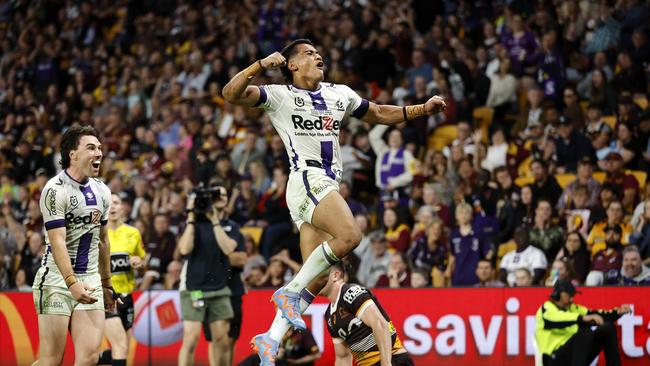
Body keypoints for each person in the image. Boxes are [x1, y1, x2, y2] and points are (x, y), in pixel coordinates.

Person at [222, 38, 446, 364]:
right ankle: (287, 292)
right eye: (309, 54)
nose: (318, 56)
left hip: (322, 185)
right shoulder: (280, 96)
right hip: (307, 179)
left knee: (319, 278)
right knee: (351, 236)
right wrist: (259, 66)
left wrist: (421, 109)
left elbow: (380, 112)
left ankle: (271, 338)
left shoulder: (338, 94)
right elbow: (230, 94)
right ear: (293, 65)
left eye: (318, 52)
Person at [32, 125, 116, 366]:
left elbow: (103, 240)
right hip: (56, 280)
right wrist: (71, 282)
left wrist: (107, 284)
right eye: (91, 147)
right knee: (51, 361)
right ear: (73, 154)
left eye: (99, 148)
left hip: (90, 280)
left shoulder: (102, 191)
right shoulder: (54, 190)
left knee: (90, 358)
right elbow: (57, 240)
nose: (99, 152)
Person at [177, 186, 240, 366]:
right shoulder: (194, 223)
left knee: (221, 340)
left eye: (222, 194)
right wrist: (190, 217)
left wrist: (215, 221)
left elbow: (228, 248)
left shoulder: (231, 225)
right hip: (194, 290)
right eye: (215, 195)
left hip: (219, 289)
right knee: (191, 339)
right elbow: (184, 249)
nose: (219, 197)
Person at [322, 261, 414, 366]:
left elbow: (380, 324)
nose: (315, 281)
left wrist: (386, 363)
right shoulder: (329, 315)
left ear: (335, 275)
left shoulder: (352, 293)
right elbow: (343, 357)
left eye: (320, 276)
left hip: (393, 360)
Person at [535, 280, 631, 366]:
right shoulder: (547, 307)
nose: (572, 299)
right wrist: (582, 318)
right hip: (553, 359)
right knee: (584, 331)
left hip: (574, 357)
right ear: (561, 294)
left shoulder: (573, 308)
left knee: (607, 328)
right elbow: (558, 319)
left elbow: (595, 315)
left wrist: (617, 312)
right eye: (570, 295)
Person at [98, 194, 146, 366]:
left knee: (122, 348)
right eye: (108, 204)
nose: (112, 207)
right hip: (107, 296)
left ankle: (91, 358)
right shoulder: (97, 233)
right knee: (120, 346)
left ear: (123, 208)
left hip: (127, 297)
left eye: (116, 203)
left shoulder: (133, 233)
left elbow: (142, 263)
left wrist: (139, 264)